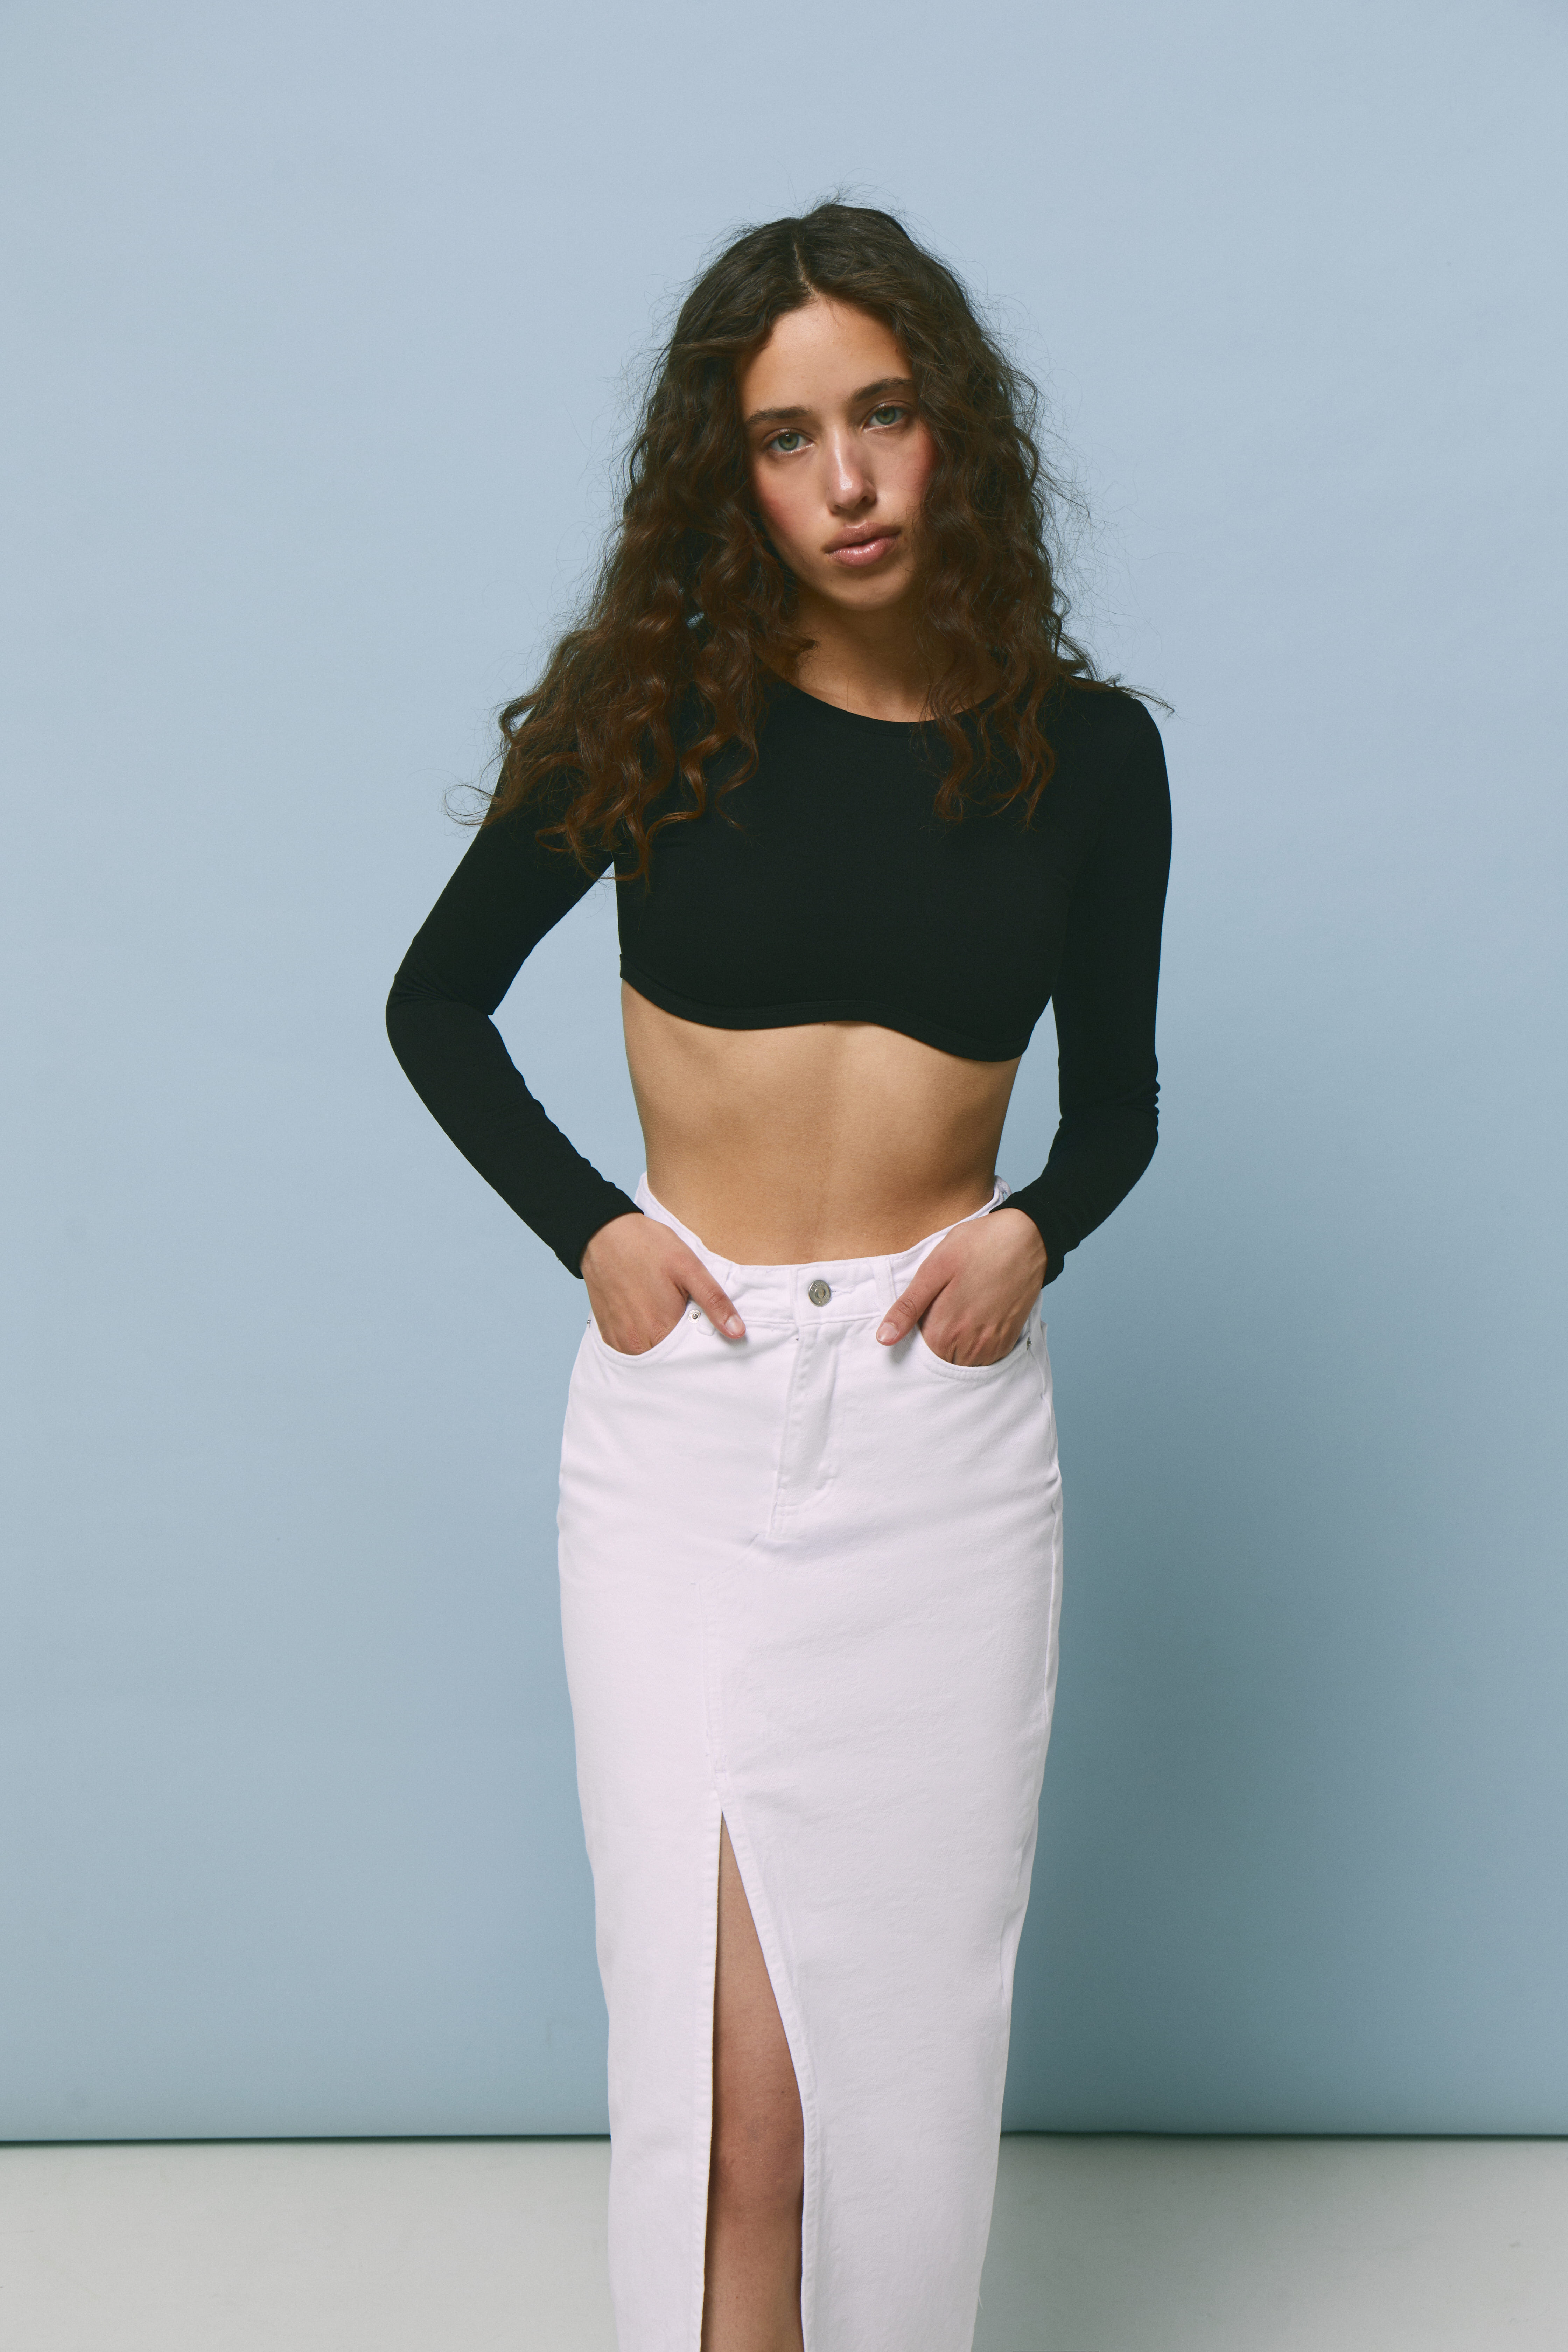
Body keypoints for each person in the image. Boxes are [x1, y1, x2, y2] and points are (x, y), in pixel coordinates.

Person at [387, 201, 1170, 2352]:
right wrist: (597, 1234)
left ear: (954, 432)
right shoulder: (650, 720)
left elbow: (1118, 1109)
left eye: (885, 415)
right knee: (732, 2100)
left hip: (941, 1442)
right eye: (786, 436)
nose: (847, 481)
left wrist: (1033, 1233)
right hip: (688, 1425)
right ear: (724, 473)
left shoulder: (1090, 758)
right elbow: (436, 1005)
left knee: (888, 2085)